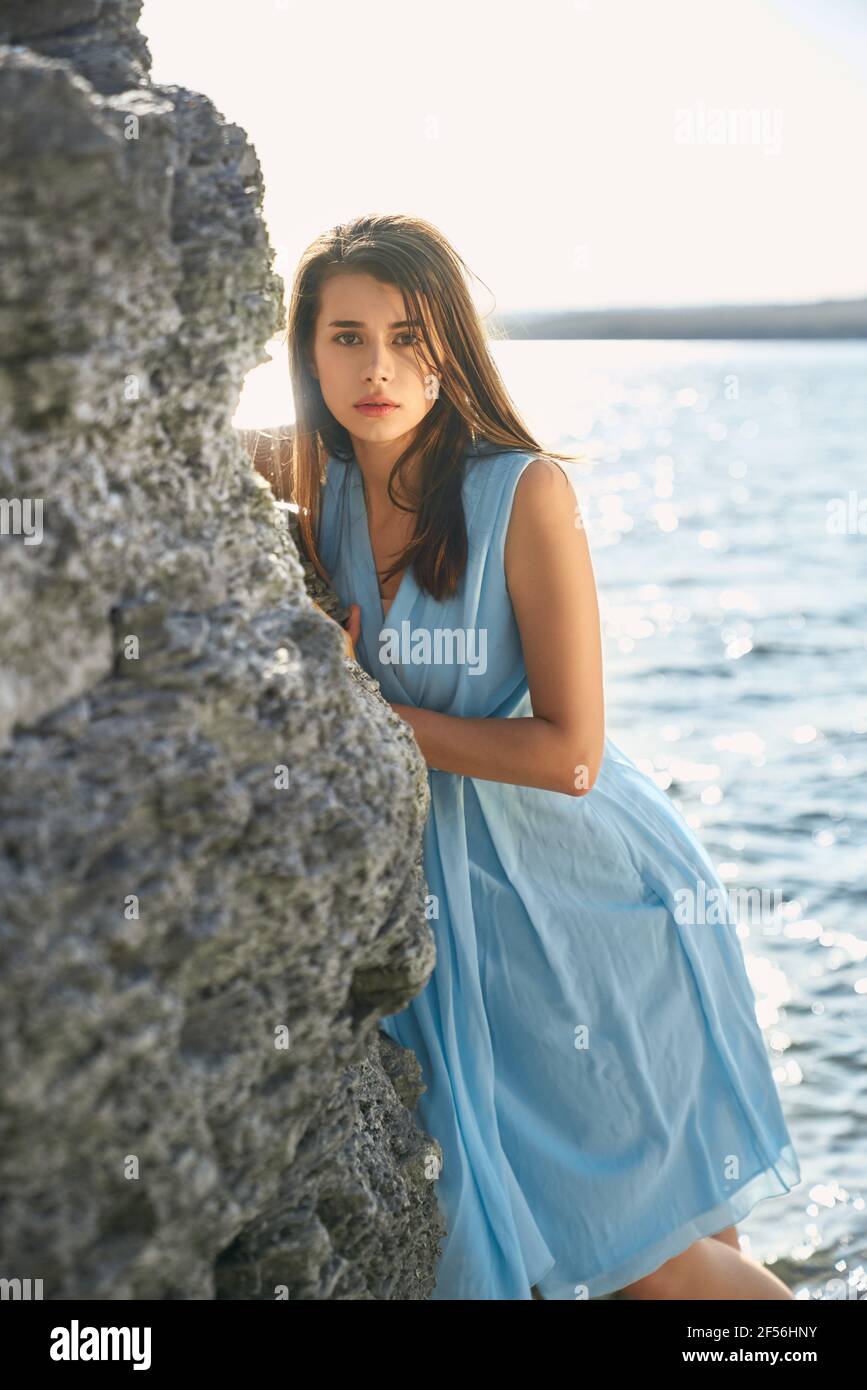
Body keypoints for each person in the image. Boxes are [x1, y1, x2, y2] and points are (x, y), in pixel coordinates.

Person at [283, 213, 802, 1300]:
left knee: (645, 1260)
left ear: (452, 348)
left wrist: (362, 707)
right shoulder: (307, 478)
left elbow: (571, 751)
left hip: (576, 908)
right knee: (607, 1241)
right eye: (346, 336)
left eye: (409, 336)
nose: (377, 367)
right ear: (305, 347)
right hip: (442, 920)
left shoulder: (522, 494)